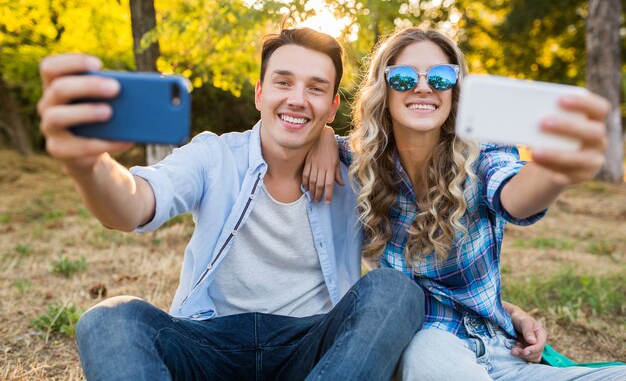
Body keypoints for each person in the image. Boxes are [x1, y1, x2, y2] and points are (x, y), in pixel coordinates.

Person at [37, 27, 427, 381]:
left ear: (331, 107)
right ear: (260, 92)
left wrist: (327, 139)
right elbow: (137, 201)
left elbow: (421, 171)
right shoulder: (214, 155)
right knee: (108, 320)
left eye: (315, 88)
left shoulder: (355, 170)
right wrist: (90, 166)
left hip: (312, 348)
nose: (296, 99)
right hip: (209, 345)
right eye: (283, 82)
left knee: (396, 290)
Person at [305, 27, 626, 381]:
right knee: (426, 352)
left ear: (456, 91)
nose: (424, 87)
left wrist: (552, 171)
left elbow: (513, 196)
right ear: (384, 88)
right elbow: (306, 131)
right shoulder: (361, 161)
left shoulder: (483, 151)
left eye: (441, 77)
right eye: (403, 77)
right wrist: (321, 137)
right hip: (430, 351)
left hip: (503, 351)